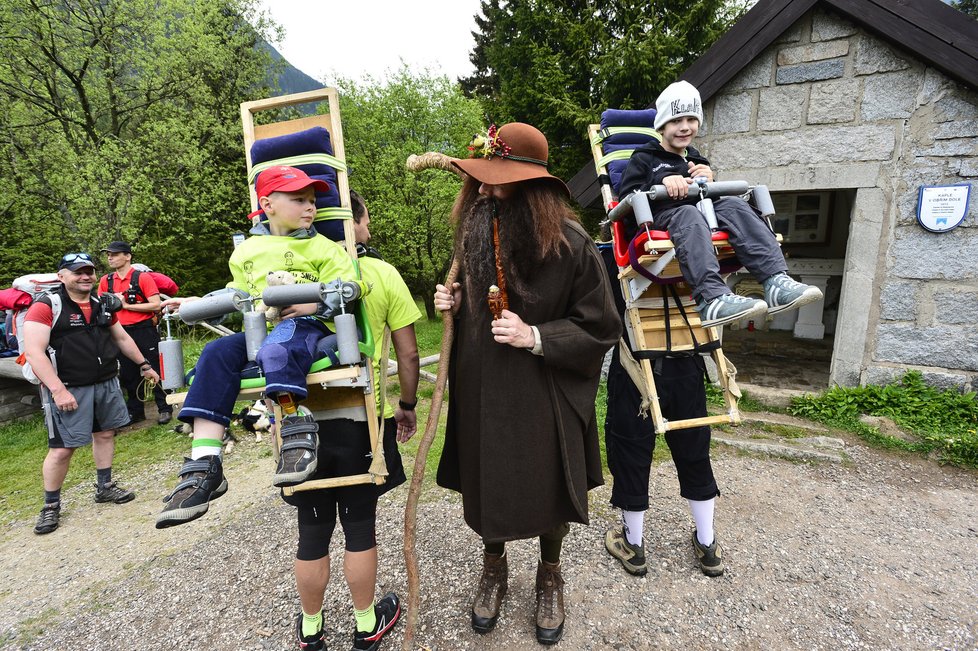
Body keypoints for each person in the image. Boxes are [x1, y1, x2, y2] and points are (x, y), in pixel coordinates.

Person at [433, 122, 621, 645]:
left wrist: (535, 334)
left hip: (544, 387)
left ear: (533, 184)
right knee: (489, 474)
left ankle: (549, 573)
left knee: (545, 482)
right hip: (483, 385)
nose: (486, 189)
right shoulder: (473, 225)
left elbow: (601, 325)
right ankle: (493, 567)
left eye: (498, 180)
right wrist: (454, 303)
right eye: (482, 180)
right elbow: (477, 290)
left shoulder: (571, 243)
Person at [155, 165, 366, 529]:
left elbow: (351, 289)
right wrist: (197, 302)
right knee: (215, 353)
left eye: (313, 200)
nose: (309, 207)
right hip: (261, 327)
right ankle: (205, 463)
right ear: (267, 205)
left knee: (278, 347)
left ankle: (295, 425)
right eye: (299, 199)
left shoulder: (322, 248)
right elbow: (238, 295)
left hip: (304, 325)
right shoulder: (246, 252)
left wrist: (312, 305)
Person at [288, 189, 418, 651]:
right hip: (362, 420)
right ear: (351, 224)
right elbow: (408, 352)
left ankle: (311, 631)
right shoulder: (378, 272)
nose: (368, 228)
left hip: (300, 422)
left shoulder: (285, 276)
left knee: (313, 526)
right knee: (359, 523)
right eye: (364, 220)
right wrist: (407, 404)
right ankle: (366, 626)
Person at [618, 80, 823, 328]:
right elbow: (628, 199)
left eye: (691, 120)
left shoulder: (696, 158)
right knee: (687, 214)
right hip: (661, 221)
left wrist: (710, 182)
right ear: (661, 126)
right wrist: (661, 181)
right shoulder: (644, 158)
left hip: (699, 220)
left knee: (734, 206)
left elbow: (712, 204)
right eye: (676, 121)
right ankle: (711, 298)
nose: (684, 127)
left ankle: (775, 282)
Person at [598, 243, 724, 578]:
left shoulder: (613, 254)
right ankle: (707, 544)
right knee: (694, 450)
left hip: (634, 370)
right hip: (687, 364)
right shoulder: (694, 245)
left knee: (630, 451)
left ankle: (634, 545)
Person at [24, 252, 161, 535]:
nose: (85, 276)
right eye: (78, 272)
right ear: (62, 276)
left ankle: (105, 487)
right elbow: (34, 354)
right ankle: (51, 507)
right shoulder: (47, 305)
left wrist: (144, 365)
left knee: (106, 433)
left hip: (106, 380)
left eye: (89, 271)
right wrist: (58, 391)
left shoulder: (100, 304)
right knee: (63, 448)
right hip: (69, 386)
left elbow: (121, 337)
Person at [98, 241, 170, 425]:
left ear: (127, 256)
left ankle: (165, 407)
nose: (110, 257)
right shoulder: (106, 281)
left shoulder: (142, 278)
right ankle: (135, 411)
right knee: (129, 372)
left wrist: (126, 305)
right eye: (108, 254)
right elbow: (101, 304)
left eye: (114, 254)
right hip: (119, 331)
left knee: (154, 366)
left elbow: (155, 304)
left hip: (144, 328)